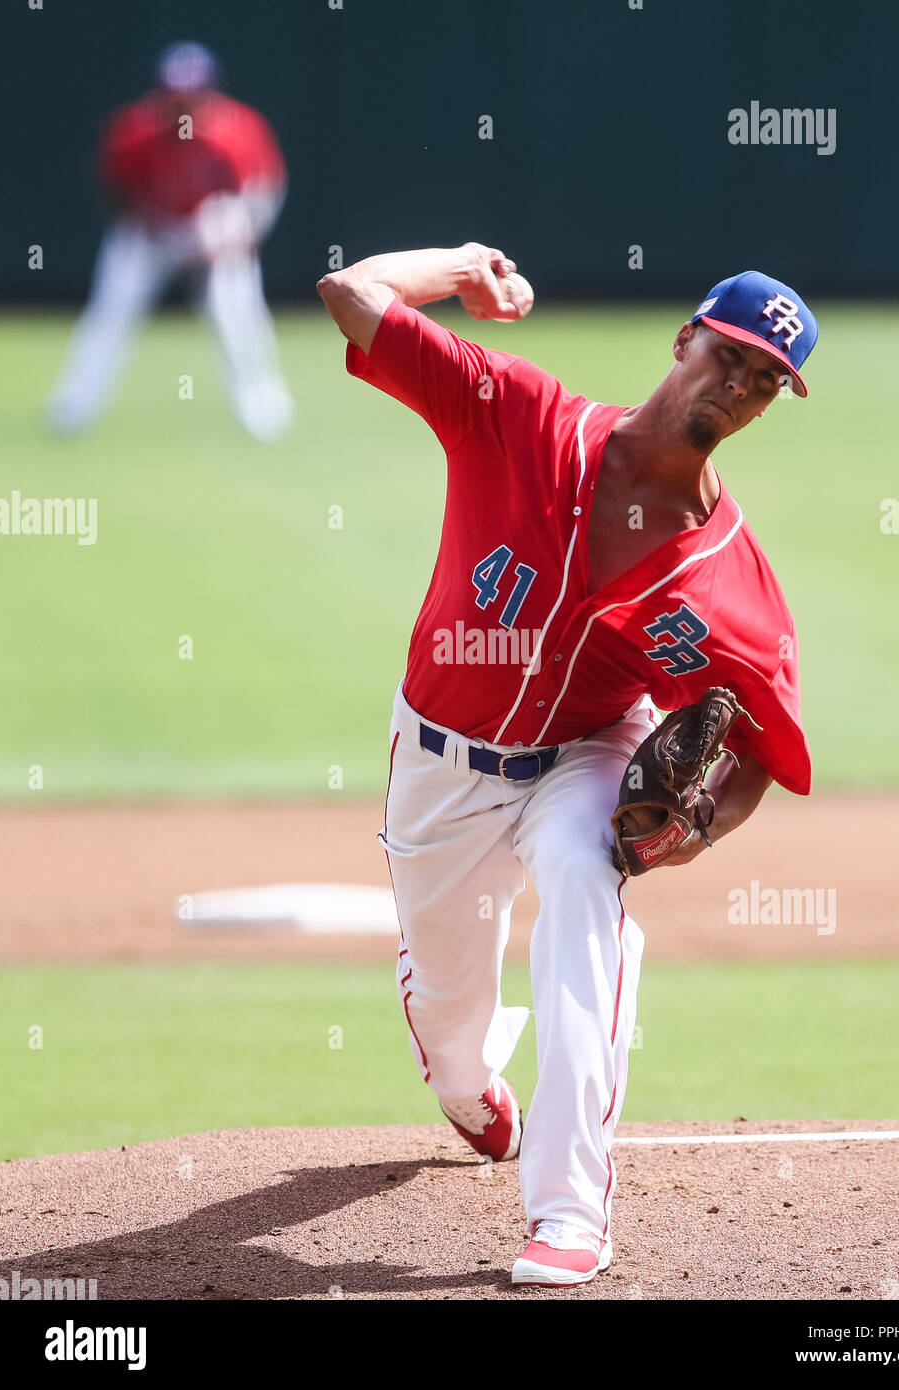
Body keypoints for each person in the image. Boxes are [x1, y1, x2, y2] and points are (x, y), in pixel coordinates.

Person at [316, 247, 818, 1287]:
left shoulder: (732, 583)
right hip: (440, 765)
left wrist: (693, 831)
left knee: (588, 891)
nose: (741, 383)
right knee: (454, 1037)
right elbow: (349, 297)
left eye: (767, 378)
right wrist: (461, 268)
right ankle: (468, 1083)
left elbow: (767, 751)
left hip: (586, 755)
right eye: (731, 354)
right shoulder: (519, 413)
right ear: (684, 339)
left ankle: (568, 1210)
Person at [48, 42, 294, 443]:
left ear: (210, 92)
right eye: (174, 97)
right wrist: (144, 224)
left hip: (212, 229)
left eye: (191, 97)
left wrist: (241, 235)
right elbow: (117, 188)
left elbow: (264, 191)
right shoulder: (134, 130)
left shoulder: (239, 128)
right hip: (153, 230)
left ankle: (261, 406)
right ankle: (76, 404)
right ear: (159, 93)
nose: (183, 107)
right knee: (110, 311)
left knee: (238, 315)